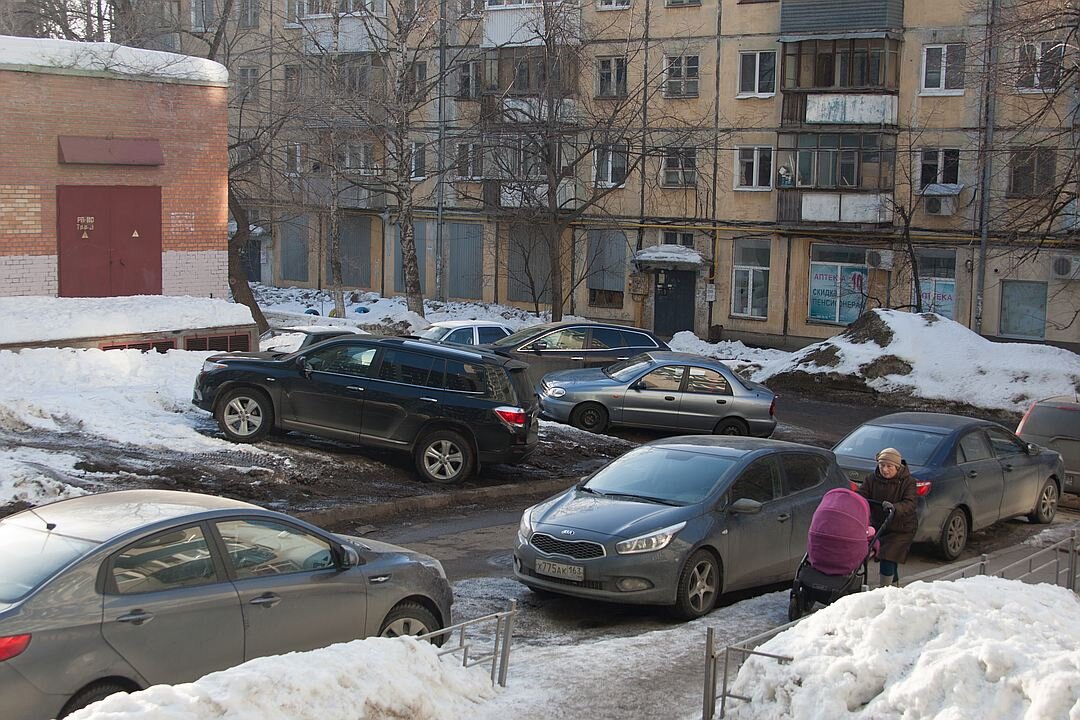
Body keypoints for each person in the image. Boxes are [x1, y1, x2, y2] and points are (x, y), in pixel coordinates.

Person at [857, 447, 918, 587]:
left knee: (887, 557)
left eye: (889, 466)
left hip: (901, 528)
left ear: (897, 467)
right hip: (879, 525)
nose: (885, 470)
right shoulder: (872, 479)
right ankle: (894, 589)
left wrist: (894, 507)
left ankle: (884, 590)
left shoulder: (908, 482)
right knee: (890, 560)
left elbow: (910, 503)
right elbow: (862, 494)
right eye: (882, 465)